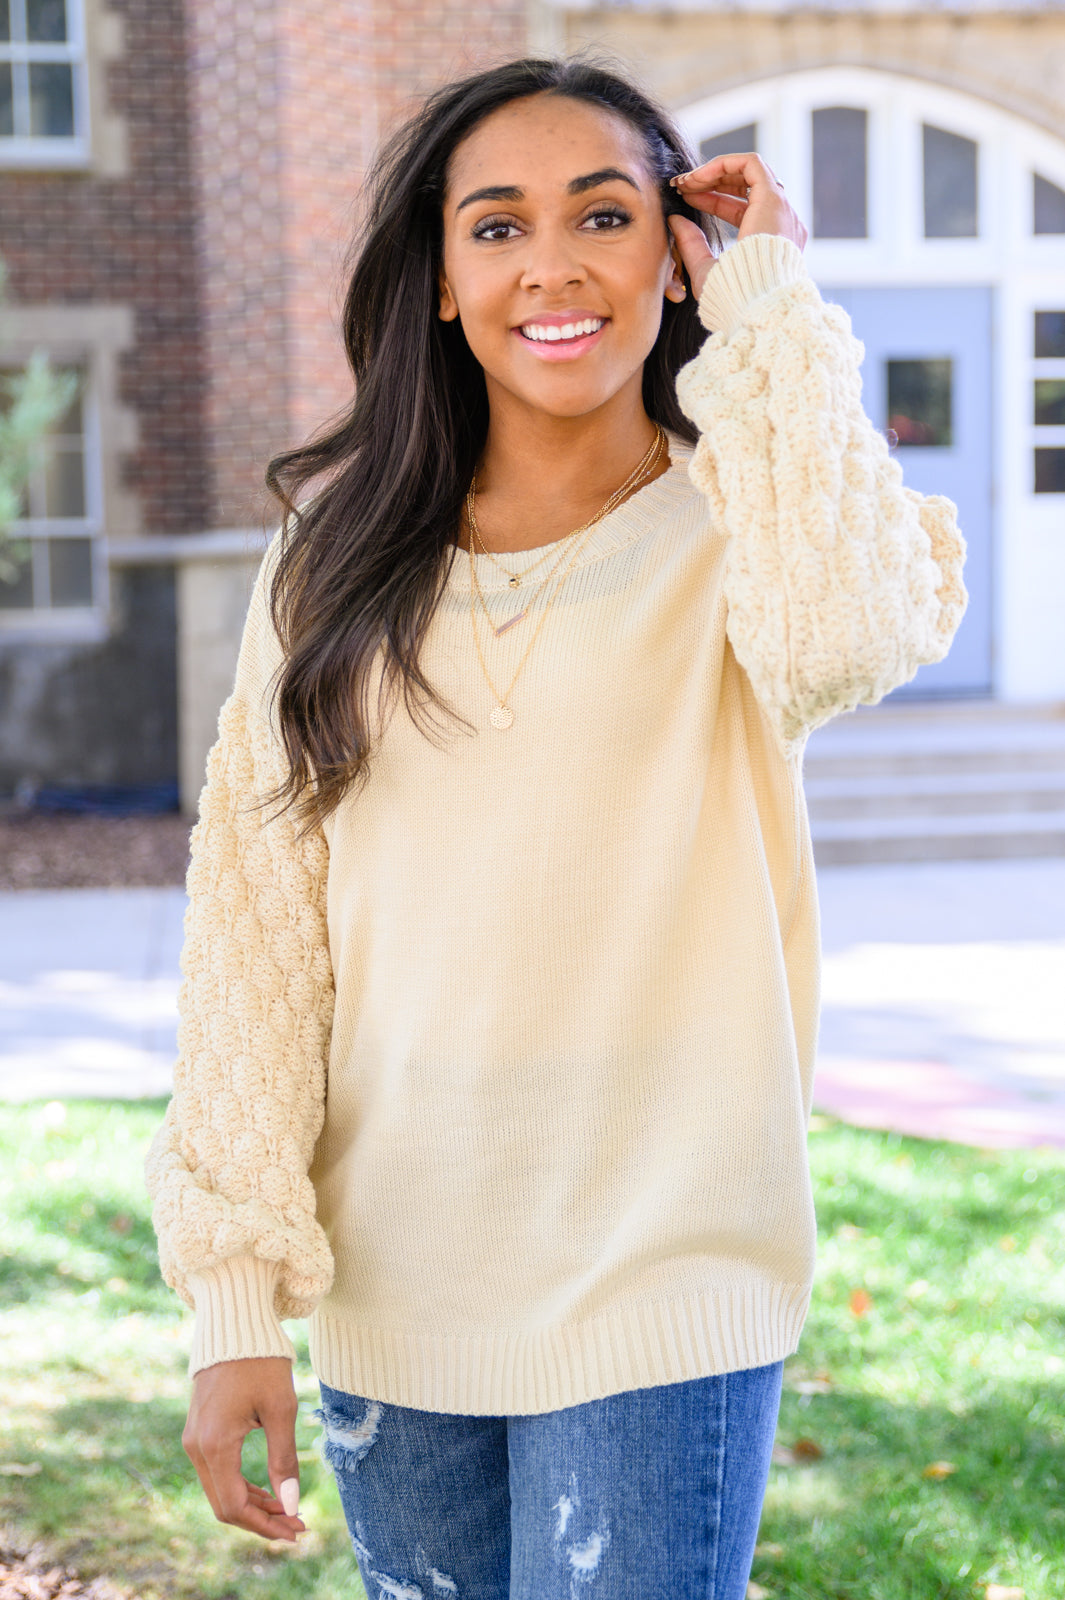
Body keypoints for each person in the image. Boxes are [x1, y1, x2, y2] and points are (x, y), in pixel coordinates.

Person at [145, 54, 966, 1600]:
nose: (552, 265)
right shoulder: (330, 567)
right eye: (496, 227)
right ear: (443, 284)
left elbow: (852, 633)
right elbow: (254, 929)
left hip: (667, 1274)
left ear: (675, 252)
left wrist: (773, 307)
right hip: (397, 1285)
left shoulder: (749, 523)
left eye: (601, 213)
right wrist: (234, 1301)